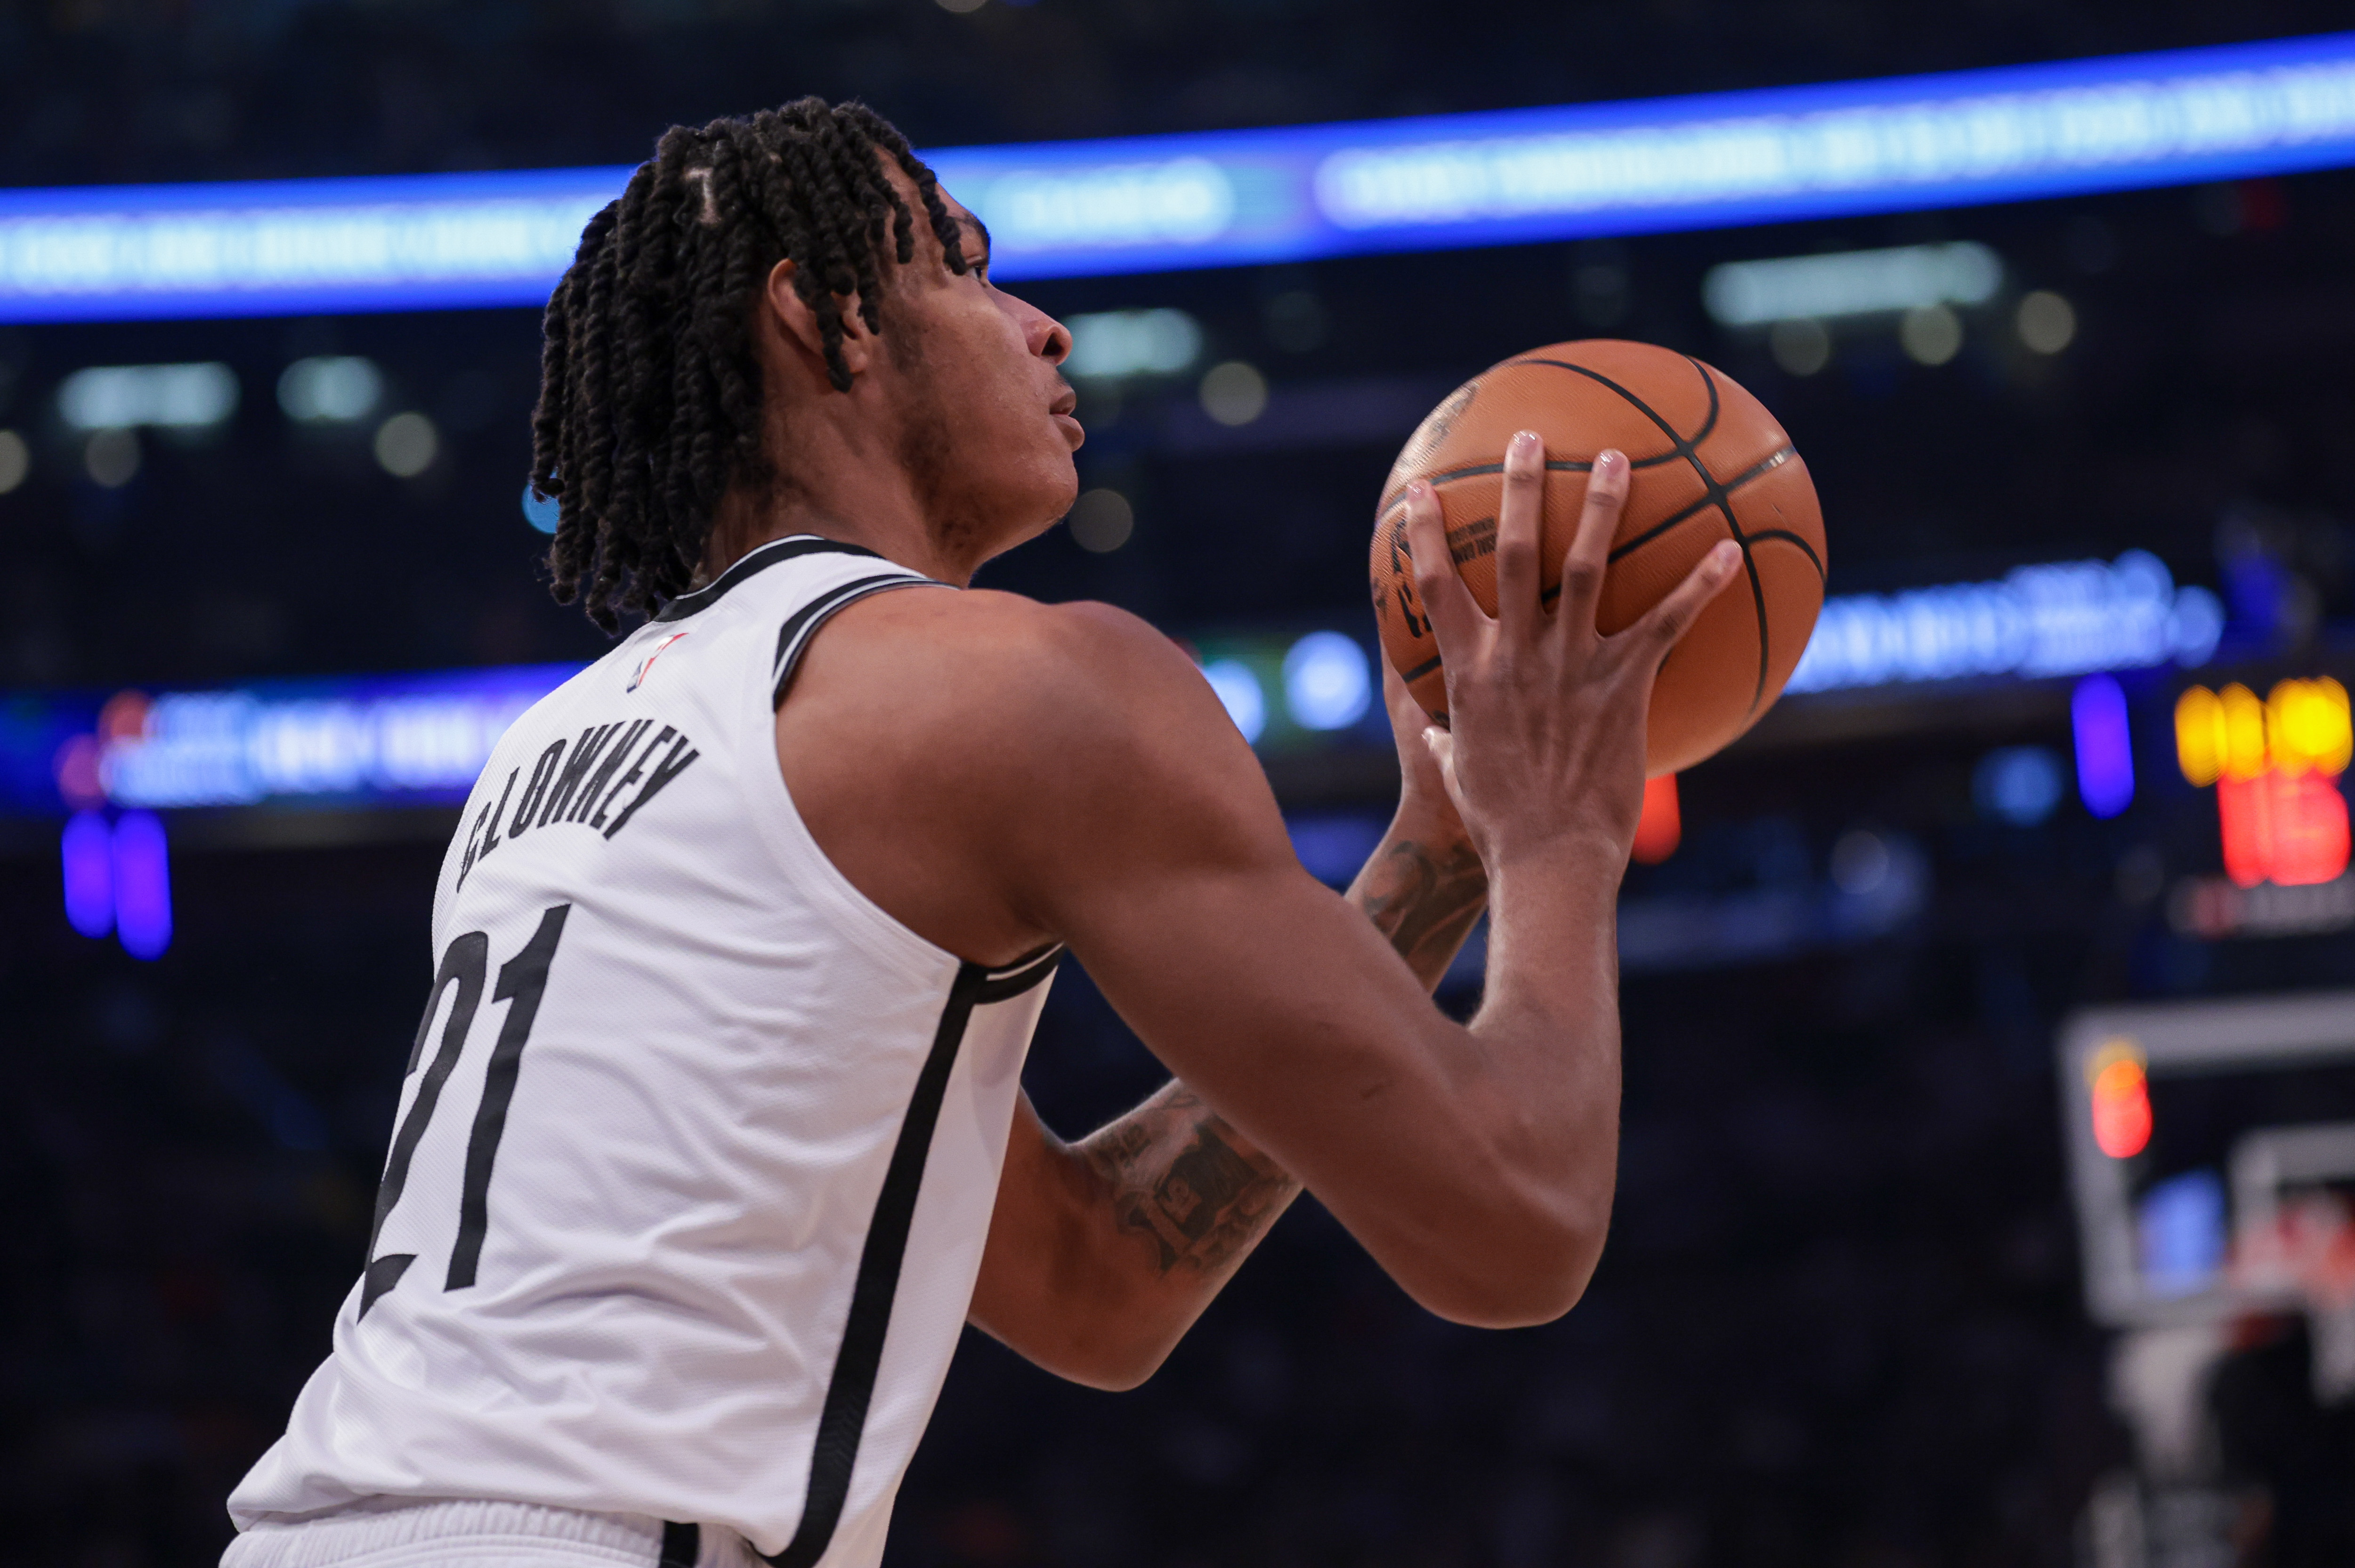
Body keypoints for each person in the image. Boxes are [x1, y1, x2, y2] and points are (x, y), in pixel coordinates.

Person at [219, 98, 1741, 1568]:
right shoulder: (1028, 685)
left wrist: (1442, 854)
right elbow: (1517, 1222)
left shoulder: (548, 752)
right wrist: (1555, 840)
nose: (1041, 325)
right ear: (824, 318)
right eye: (962, 266)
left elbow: (1098, 1284)